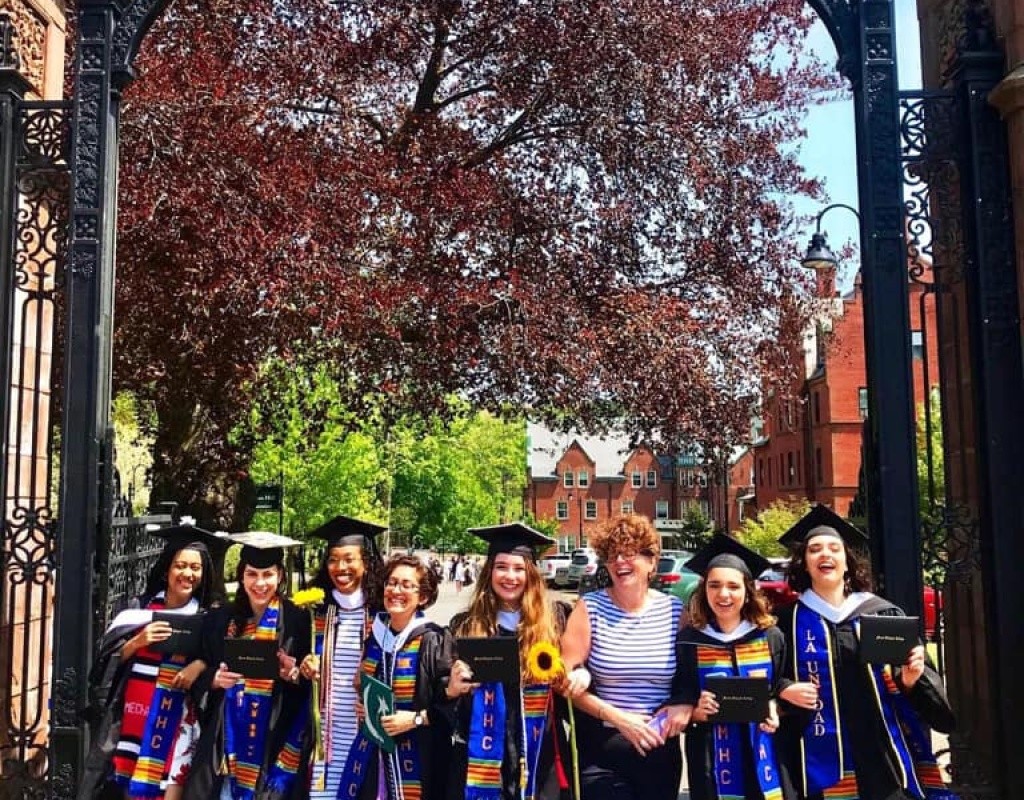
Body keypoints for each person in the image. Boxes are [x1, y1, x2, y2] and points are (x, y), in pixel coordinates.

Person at [773, 506, 956, 800]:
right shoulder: (786, 621)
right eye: (814, 550)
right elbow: (768, 676)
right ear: (804, 564)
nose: (825, 555)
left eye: (834, 548)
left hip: (880, 748)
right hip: (814, 752)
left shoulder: (881, 613)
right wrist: (784, 688)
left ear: (847, 562)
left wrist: (910, 679)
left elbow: (914, 685)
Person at [78, 524, 227, 800]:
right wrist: (137, 642)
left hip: (179, 724)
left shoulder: (209, 618)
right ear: (167, 569)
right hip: (131, 720)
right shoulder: (139, 610)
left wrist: (201, 666)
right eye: (180, 565)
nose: (187, 574)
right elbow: (103, 666)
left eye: (195, 568)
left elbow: (220, 662)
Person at [559, 514, 690, 800]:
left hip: (658, 747)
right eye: (612, 555)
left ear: (652, 562)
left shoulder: (675, 611)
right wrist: (619, 719)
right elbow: (563, 681)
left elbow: (690, 677)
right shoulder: (590, 607)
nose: (619, 561)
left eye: (629, 554)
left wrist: (683, 704)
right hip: (601, 748)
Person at [445, 522, 573, 800]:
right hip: (482, 750)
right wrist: (453, 688)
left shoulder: (556, 621)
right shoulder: (464, 626)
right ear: (489, 571)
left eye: (518, 568)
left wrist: (574, 677)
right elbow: (445, 698)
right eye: (501, 567)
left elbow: (574, 679)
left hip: (540, 748)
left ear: (531, 574)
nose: (510, 576)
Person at [185, 532, 312, 800]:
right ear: (241, 576)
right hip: (226, 743)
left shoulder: (298, 623)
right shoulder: (220, 620)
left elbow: (310, 687)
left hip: (274, 742)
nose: (260, 583)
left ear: (280, 576)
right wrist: (214, 679)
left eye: (268, 574)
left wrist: (294, 674)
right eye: (252, 574)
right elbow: (199, 671)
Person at [673, 534, 792, 800]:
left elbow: (781, 687)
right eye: (714, 586)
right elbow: (678, 694)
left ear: (748, 592)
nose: (723, 594)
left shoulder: (771, 636)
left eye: (733, 586)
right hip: (711, 756)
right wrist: (695, 711)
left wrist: (775, 708)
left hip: (765, 750)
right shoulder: (690, 641)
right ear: (704, 590)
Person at [336, 554, 453, 800]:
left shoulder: (434, 640)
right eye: (391, 582)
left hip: (420, 758)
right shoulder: (375, 636)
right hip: (374, 756)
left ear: (423, 596)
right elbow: (365, 684)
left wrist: (415, 719)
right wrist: (364, 703)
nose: (396, 590)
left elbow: (451, 703)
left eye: (406, 585)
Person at [298, 515, 387, 798]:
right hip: (324, 731)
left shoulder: (382, 614)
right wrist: (302, 666)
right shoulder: (315, 612)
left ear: (367, 563)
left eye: (349, 559)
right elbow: (293, 664)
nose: (340, 568)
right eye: (333, 560)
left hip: (366, 730)